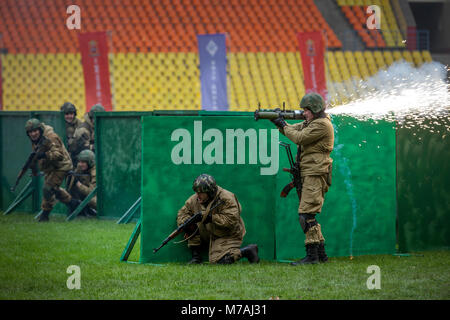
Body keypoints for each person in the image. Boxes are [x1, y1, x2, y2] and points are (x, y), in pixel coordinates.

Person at [270, 92, 334, 265]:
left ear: (315, 109)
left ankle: (312, 257)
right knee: (309, 215)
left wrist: (282, 123)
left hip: (315, 173)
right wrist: (278, 122)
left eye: (306, 110)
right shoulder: (311, 123)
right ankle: (321, 256)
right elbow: (294, 130)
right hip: (311, 173)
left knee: (305, 215)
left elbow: (298, 138)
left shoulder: (321, 125)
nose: (303, 113)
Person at [176, 174, 260, 265]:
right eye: (196, 192)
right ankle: (196, 257)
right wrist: (185, 222)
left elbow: (230, 220)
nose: (197, 195)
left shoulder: (227, 198)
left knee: (220, 262)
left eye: (200, 193)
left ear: (210, 192)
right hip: (210, 231)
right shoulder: (195, 199)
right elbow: (182, 213)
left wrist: (210, 217)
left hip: (228, 233)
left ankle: (247, 251)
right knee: (190, 224)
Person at [25, 118, 80, 222]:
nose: (33, 134)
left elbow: (59, 155)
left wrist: (44, 155)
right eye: (30, 132)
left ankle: (45, 215)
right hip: (50, 167)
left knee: (48, 188)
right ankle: (73, 203)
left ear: (40, 130)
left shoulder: (51, 137)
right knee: (51, 188)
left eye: (35, 131)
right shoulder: (36, 140)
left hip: (62, 165)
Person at [67, 149, 97, 217]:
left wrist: (78, 184)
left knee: (92, 200)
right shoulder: (79, 167)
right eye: (79, 161)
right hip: (83, 195)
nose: (80, 164)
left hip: (98, 196)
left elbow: (92, 193)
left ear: (90, 162)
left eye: (83, 162)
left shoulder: (95, 172)